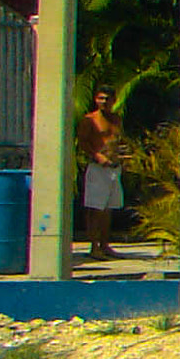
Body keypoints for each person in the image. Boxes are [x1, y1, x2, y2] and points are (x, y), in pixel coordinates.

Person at [74, 88, 124, 259]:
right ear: (96, 100)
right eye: (101, 98)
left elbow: (118, 140)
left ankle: (105, 244)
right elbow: (83, 142)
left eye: (107, 99)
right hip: (98, 168)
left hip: (114, 167)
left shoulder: (116, 119)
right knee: (95, 208)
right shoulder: (90, 120)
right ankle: (93, 246)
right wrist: (98, 156)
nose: (104, 102)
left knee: (108, 208)